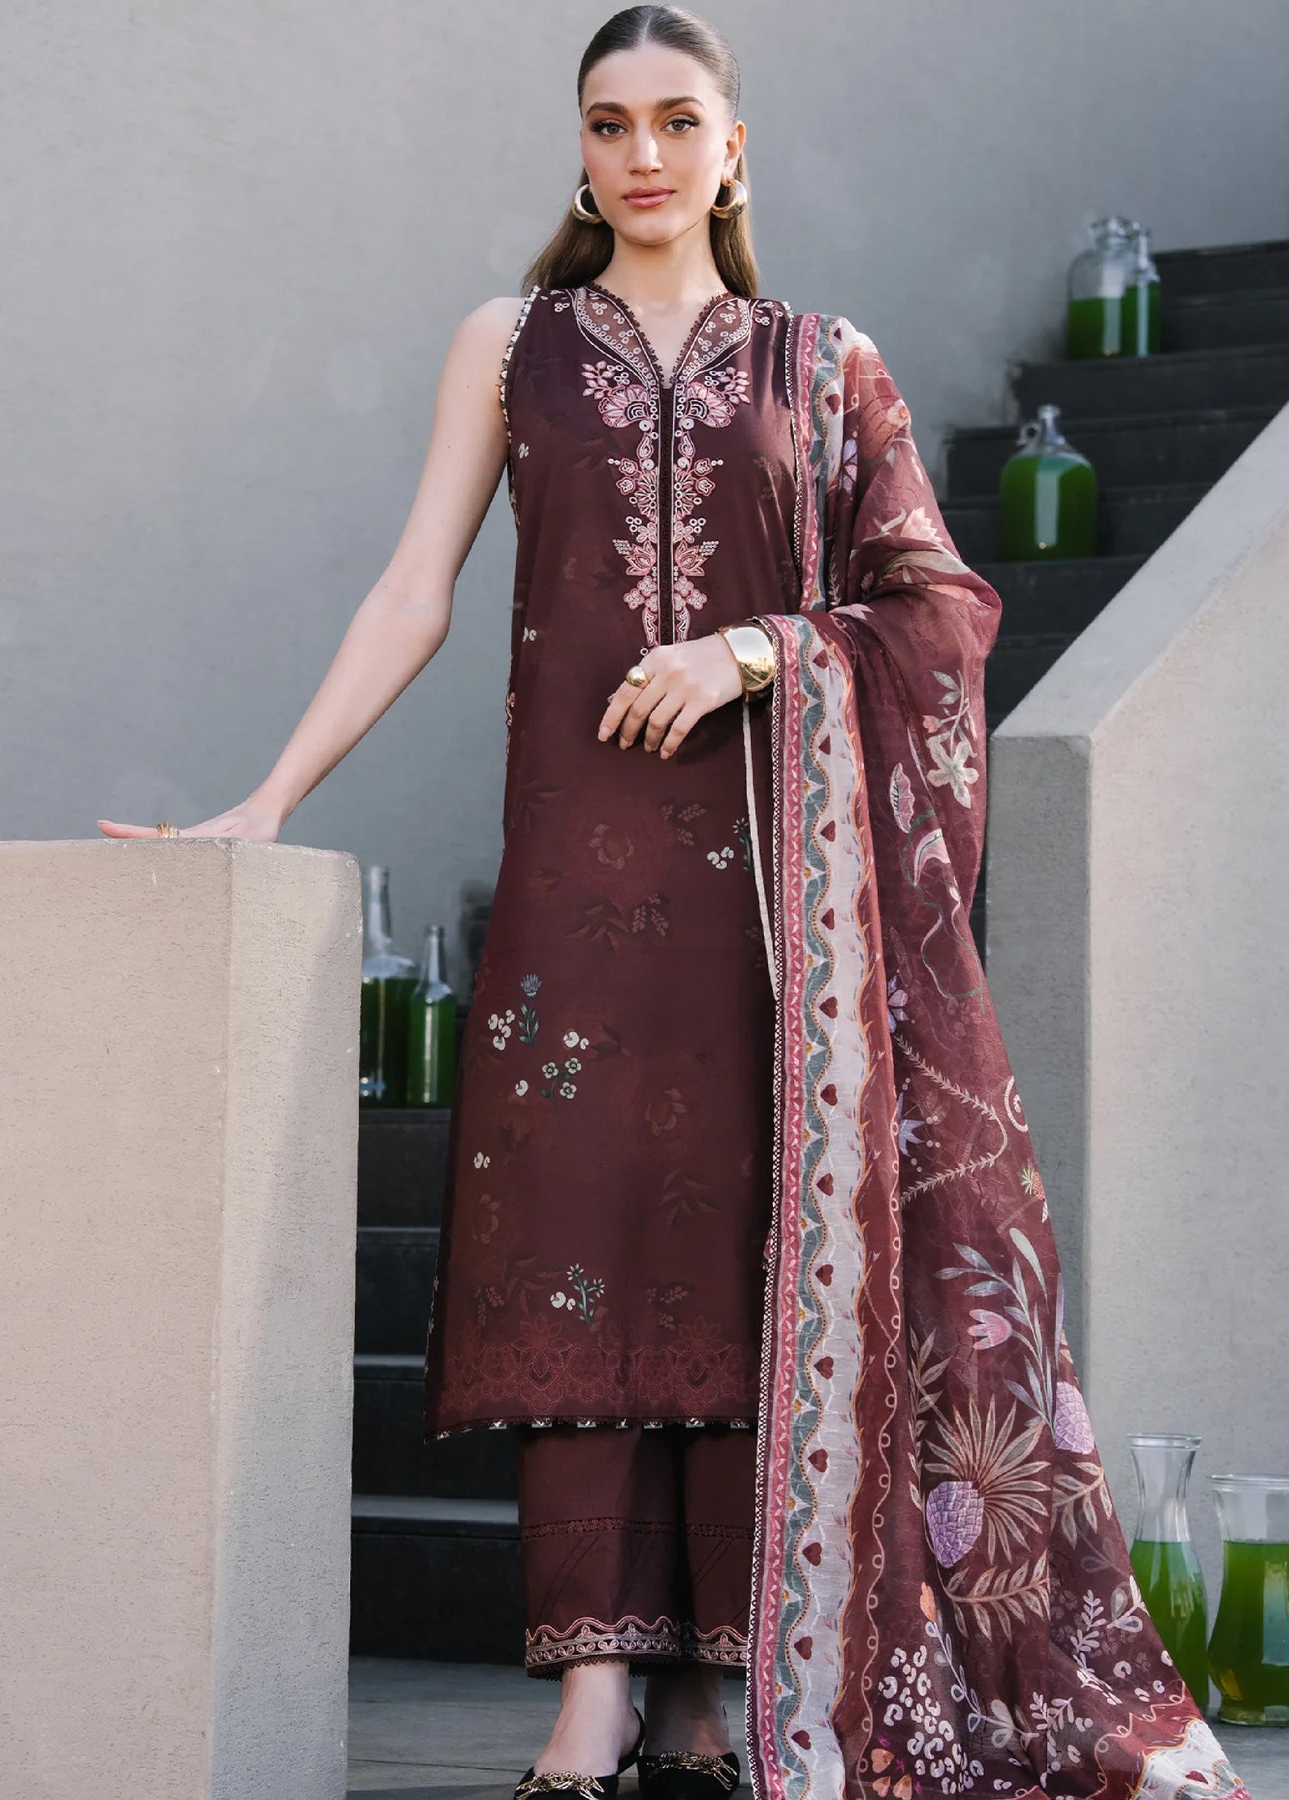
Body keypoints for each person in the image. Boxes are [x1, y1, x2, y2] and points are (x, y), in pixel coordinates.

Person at [100, 8, 1255, 1799]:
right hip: (574, 881)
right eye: (606, 123)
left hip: (772, 909)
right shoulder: (511, 346)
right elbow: (414, 589)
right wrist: (266, 799)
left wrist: (755, 649)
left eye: (674, 119)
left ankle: (720, 1690)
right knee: (577, 1256)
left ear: (732, 147)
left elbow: (940, 607)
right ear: (579, 151)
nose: (640, 153)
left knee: (735, 1266)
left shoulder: (824, 361)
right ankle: (593, 1692)